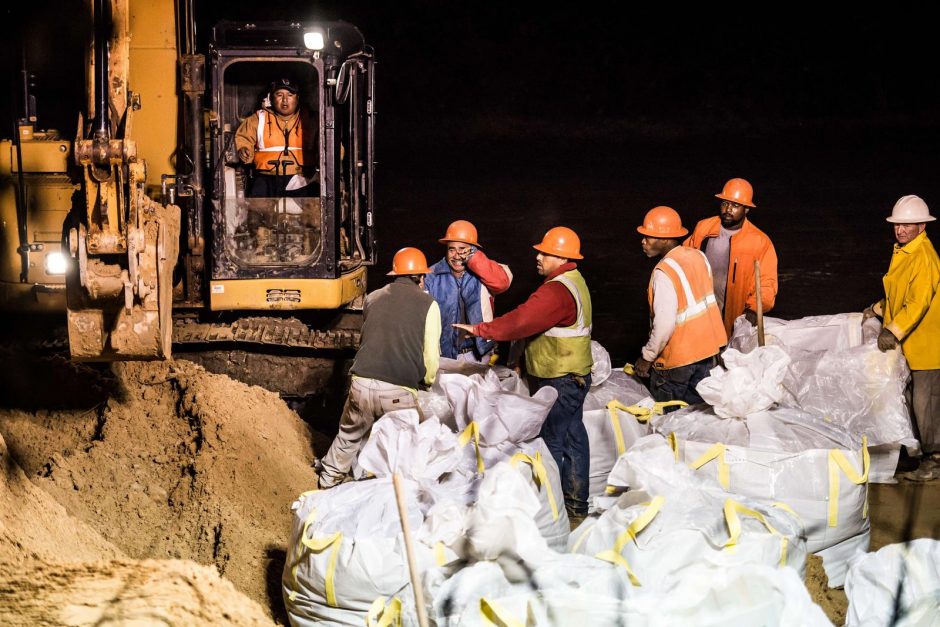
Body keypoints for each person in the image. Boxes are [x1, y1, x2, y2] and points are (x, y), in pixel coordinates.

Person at [454, 226, 593, 521]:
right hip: (572, 375)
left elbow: (521, 321)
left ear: (561, 257)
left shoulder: (556, 291)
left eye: (545, 253)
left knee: (556, 443)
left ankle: (557, 510)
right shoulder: (573, 281)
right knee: (573, 436)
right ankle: (575, 505)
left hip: (561, 379)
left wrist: (481, 330)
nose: (538, 257)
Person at [317, 247, 441, 489]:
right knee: (404, 451)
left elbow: (370, 338)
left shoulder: (372, 297)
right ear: (421, 277)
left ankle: (327, 480)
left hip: (361, 384)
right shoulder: (429, 304)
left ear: (394, 274)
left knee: (349, 435)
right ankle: (395, 500)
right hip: (398, 392)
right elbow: (430, 354)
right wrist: (427, 380)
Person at [863, 195, 940, 482]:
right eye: (897, 225)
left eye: (907, 225)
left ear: (922, 225)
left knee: (926, 403)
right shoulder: (903, 252)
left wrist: (891, 331)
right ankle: (915, 454)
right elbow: (896, 297)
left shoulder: (923, 257)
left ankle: (935, 459)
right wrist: (875, 309)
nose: (901, 230)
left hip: (928, 346)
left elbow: (916, 304)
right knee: (907, 400)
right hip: (910, 345)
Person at [634, 206, 728, 406]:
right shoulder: (699, 256)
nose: (643, 241)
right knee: (695, 419)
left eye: (649, 236)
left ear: (666, 239)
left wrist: (647, 357)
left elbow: (664, 325)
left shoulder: (664, 272)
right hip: (706, 352)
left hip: (677, 362)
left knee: (667, 422)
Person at [684, 178, 778, 336]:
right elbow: (684, 260)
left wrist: (755, 308)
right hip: (699, 310)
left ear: (746, 209)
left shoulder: (759, 242)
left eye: (735, 205)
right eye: (725, 203)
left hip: (734, 316)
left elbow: (767, 282)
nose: (728, 209)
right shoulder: (704, 228)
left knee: (726, 355)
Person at [424, 220, 513, 362]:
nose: (457, 255)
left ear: (473, 250)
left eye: (463, 249)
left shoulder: (485, 273)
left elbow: (502, 283)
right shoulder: (431, 276)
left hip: (478, 354)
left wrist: (474, 259)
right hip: (443, 356)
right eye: (451, 249)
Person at [234, 77, 318, 198]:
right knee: (256, 211)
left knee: (313, 208)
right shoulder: (259, 118)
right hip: (266, 179)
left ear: (297, 98)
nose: (285, 100)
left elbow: (331, 146)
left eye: (290, 95)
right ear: (272, 98)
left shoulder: (312, 119)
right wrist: (244, 150)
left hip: (302, 178)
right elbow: (243, 139)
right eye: (279, 95)